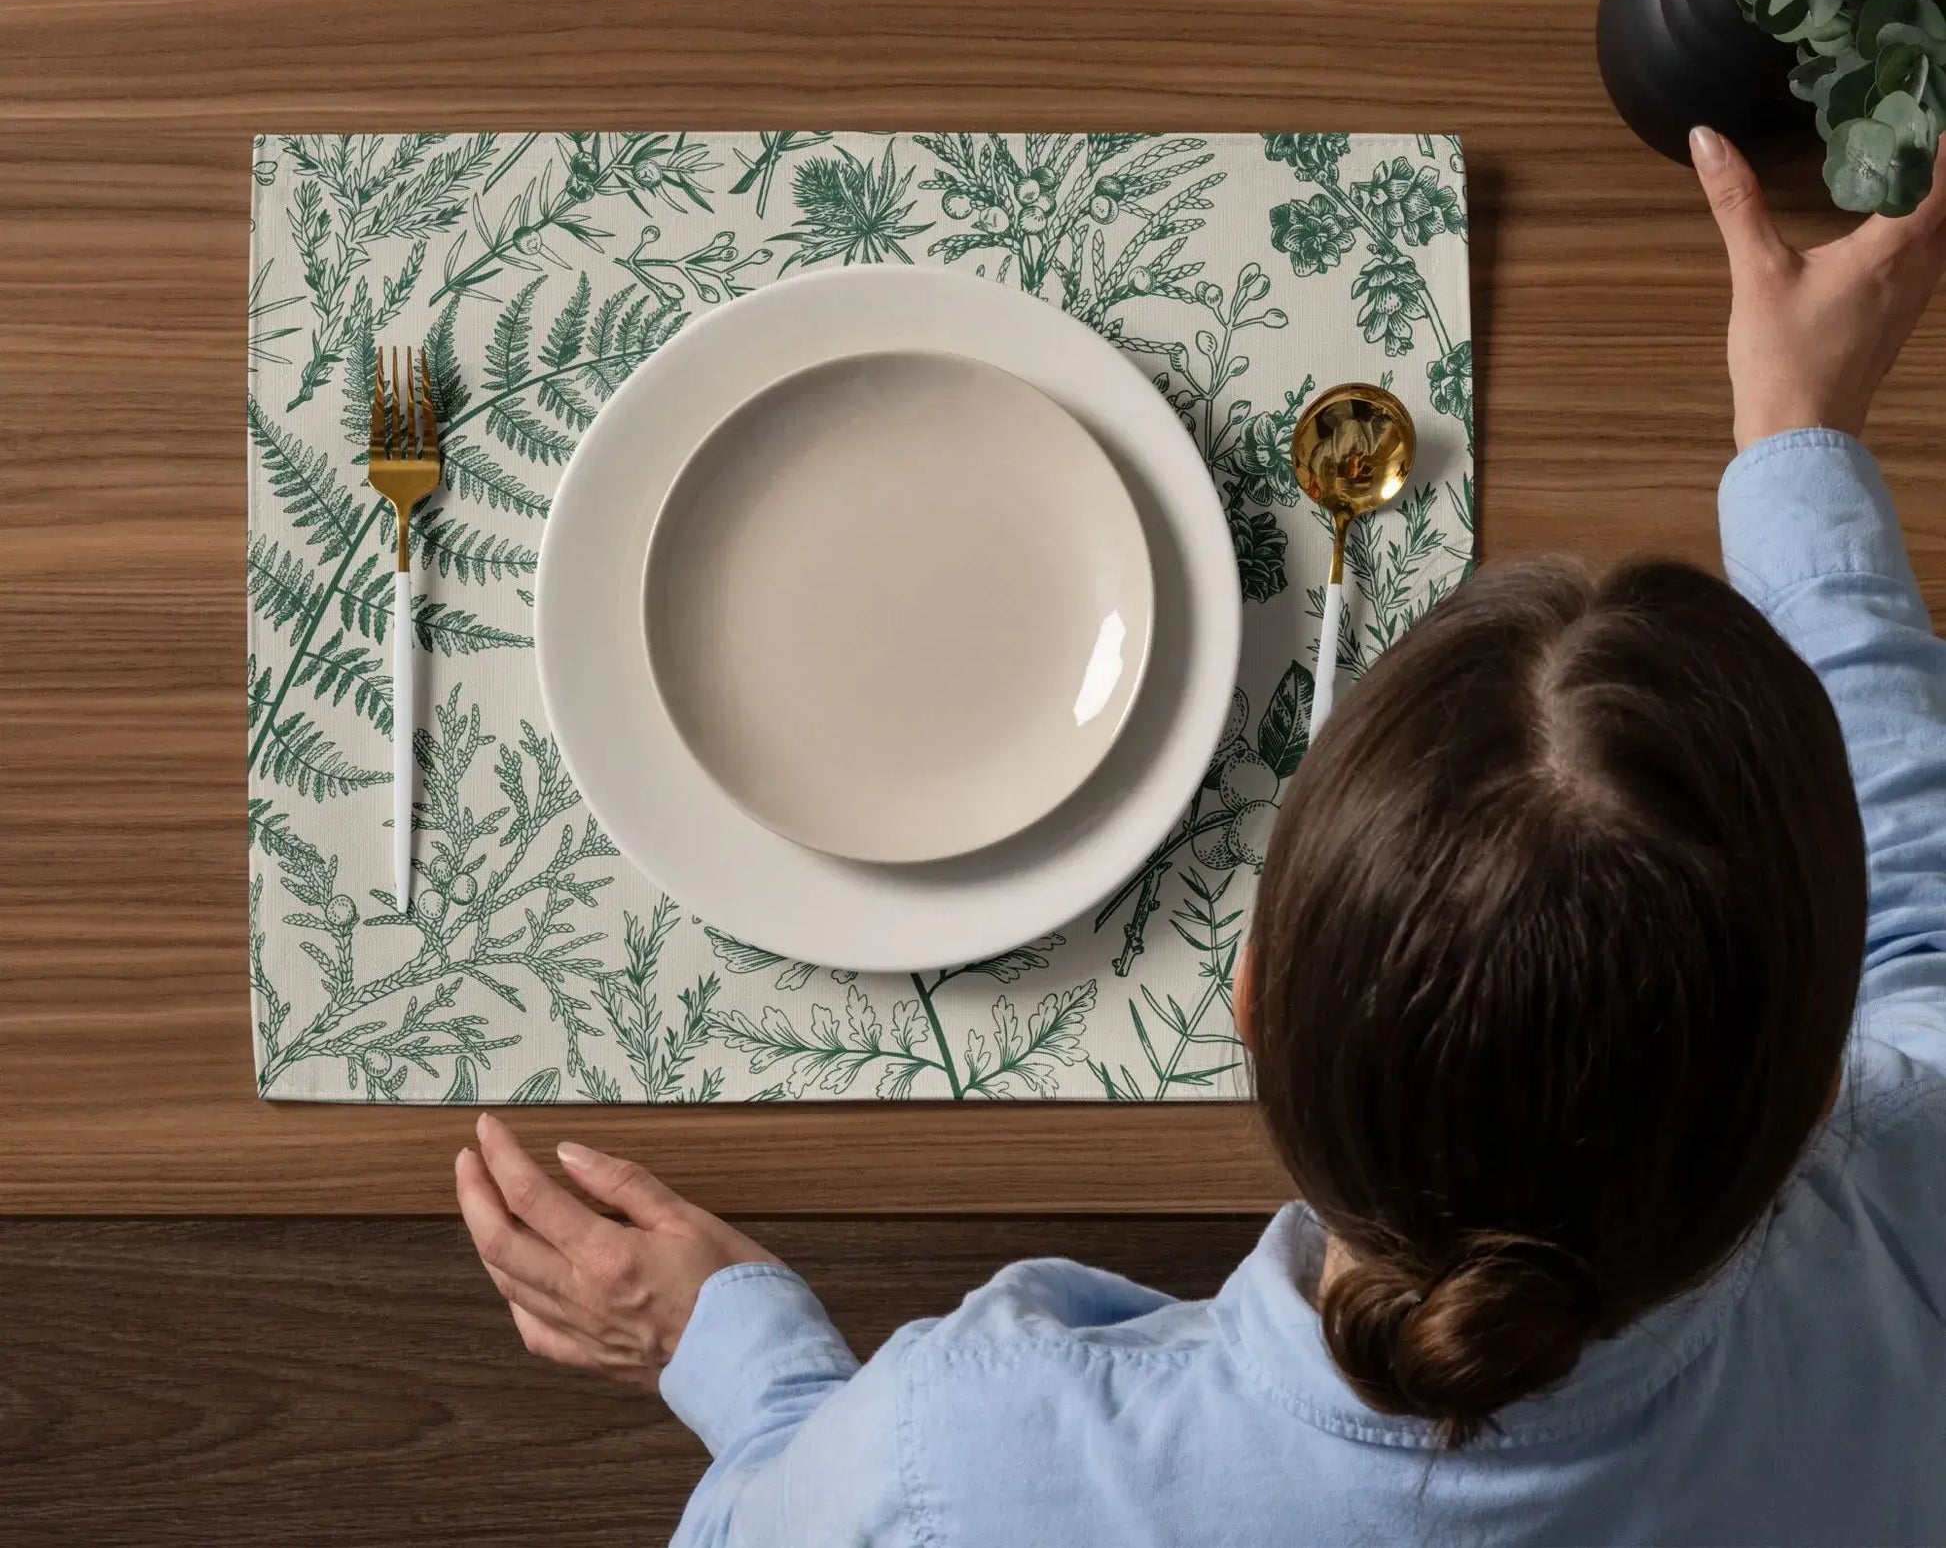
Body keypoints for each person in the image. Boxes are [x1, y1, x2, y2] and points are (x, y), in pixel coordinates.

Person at [455, 127, 1946, 1546]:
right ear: (1812, 1088)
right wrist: (1794, 437)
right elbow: (1919, 933)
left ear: (1248, 1000)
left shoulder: (961, 1462)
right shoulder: (1910, 1211)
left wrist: (744, 1366)